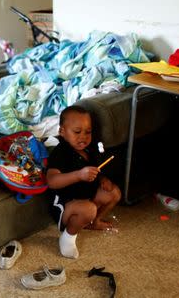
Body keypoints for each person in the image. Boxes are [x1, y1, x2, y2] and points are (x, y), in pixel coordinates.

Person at [46, 105, 121, 259]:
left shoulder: (90, 149)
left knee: (113, 193)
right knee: (89, 209)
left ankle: (95, 222)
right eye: (77, 132)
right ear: (62, 132)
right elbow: (52, 181)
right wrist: (79, 175)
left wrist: (102, 179)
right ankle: (68, 236)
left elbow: (95, 171)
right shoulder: (61, 152)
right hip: (65, 205)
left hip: (86, 196)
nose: (83, 137)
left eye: (88, 132)